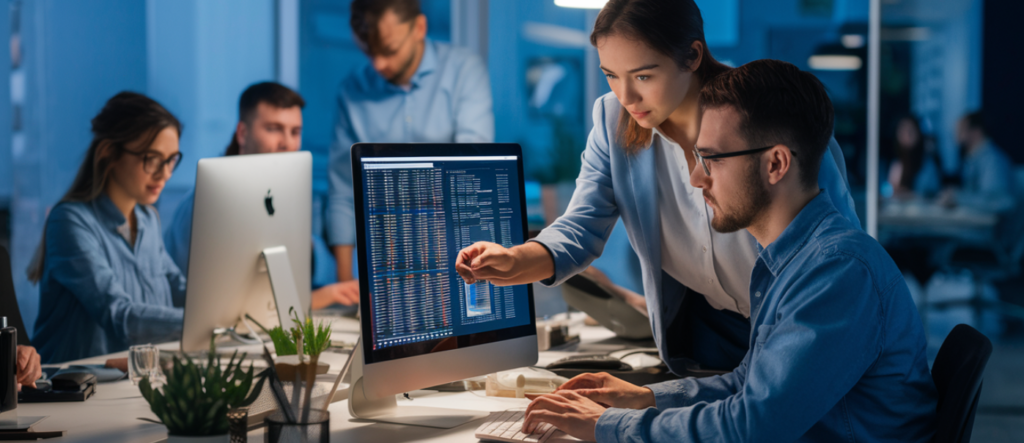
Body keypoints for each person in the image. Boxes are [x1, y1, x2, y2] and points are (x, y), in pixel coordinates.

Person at [521, 59, 937, 443]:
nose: (698, 178)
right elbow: (749, 384)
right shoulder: (792, 261)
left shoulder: (837, 273)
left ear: (776, 165)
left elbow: (750, 426)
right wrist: (644, 398)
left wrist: (605, 427)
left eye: (714, 159)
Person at [455, 0, 859, 373]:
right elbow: (580, 229)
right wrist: (515, 259)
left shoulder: (764, 118)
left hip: (792, 326)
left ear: (693, 56)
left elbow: (841, 253)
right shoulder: (613, 121)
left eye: (644, 75)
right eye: (611, 75)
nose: (626, 95)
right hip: (704, 336)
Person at [327, 0, 494, 284]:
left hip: (454, 249)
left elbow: (470, 171)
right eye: (368, 52)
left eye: (389, 51)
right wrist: (344, 282)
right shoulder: (352, 91)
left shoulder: (464, 71)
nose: (379, 64)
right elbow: (344, 190)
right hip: (383, 257)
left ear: (419, 27)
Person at [163, 82, 360, 310]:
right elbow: (205, 305)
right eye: (274, 128)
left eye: (295, 132)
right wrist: (320, 297)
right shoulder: (207, 201)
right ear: (243, 133)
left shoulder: (277, 194)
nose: (287, 143)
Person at [28, 92, 186, 363]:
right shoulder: (70, 221)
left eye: (171, 159)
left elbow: (178, 288)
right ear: (109, 152)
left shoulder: (148, 219)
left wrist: (228, 309)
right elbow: (119, 315)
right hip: (74, 391)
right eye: (152, 158)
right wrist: (206, 324)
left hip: (134, 383)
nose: (165, 173)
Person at [943, 111, 1015, 212]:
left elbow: (999, 202)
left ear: (976, 131)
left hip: (993, 226)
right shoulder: (972, 159)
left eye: (960, 130)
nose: (955, 134)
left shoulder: (992, 160)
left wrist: (958, 198)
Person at [887, 115, 941, 198]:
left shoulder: (928, 163)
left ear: (918, 133)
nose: (906, 135)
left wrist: (907, 194)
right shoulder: (897, 163)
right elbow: (889, 190)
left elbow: (932, 194)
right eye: (902, 131)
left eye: (910, 131)